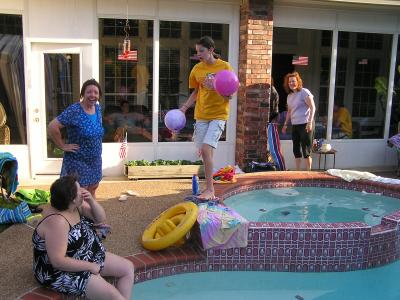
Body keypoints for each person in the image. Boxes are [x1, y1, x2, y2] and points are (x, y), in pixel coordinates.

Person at [32, 176, 134, 299]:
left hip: (85, 254)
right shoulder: (57, 222)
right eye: (79, 190)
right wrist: (90, 267)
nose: (82, 191)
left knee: (128, 268)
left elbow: (100, 218)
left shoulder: (74, 206)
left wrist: (91, 201)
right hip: (61, 271)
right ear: (72, 199)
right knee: (114, 297)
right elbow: (58, 261)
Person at [180, 36, 233, 200]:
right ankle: (208, 185)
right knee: (205, 152)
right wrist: (184, 108)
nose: (199, 54)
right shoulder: (196, 69)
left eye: (201, 51)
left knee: (205, 149)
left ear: (211, 50)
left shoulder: (224, 67)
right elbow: (195, 92)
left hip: (218, 115)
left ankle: (210, 189)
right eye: (197, 52)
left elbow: (229, 95)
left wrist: (216, 87)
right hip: (201, 115)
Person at [47, 79, 104, 198]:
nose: (92, 95)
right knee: (79, 193)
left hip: (95, 159)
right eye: (89, 92)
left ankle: (90, 215)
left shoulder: (97, 108)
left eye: (96, 92)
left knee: (93, 188)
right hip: (78, 160)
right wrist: (62, 145)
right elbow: (53, 126)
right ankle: (78, 216)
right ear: (83, 94)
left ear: (99, 95)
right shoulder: (75, 110)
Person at [282, 72, 316, 171]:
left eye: (293, 81)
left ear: (298, 82)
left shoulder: (304, 92)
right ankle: (297, 172)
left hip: (305, 124)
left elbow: (313, 107)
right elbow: (289, 111)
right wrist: (285, 124)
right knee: (296, 149)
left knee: (306, 149)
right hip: (295, 125)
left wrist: (309, 122)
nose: (291, 83)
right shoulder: (289, 96)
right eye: (289, 82)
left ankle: (308, 172)